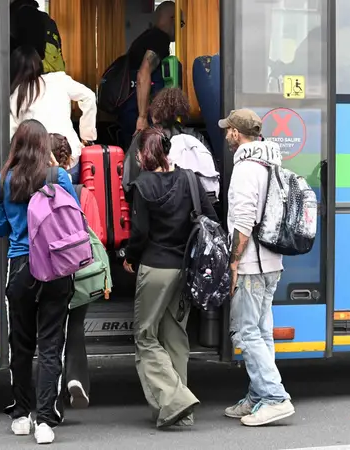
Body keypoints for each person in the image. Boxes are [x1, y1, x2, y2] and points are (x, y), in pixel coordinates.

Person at [0, 119, 80, 445]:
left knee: (22, 344)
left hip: (21, 268)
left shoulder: (4, 180)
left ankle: (21, 415)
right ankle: (45, 421)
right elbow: (75, 219)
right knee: (51, 344)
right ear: (45, 145)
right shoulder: (59, 177)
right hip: (56, 268)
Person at [123, 127, 217, 428]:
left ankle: (176, 400)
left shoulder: (142, 185)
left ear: (142, 154)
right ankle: (182, 414)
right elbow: (211, 220)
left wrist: (130, 258)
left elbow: (140, 234)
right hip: (185, 268)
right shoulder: (189, 178)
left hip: (156, 267)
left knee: (145, 335)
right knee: (175, 334)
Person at [218, 109, 295, 427]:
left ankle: (275, 398)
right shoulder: (273, 163)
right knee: (261, 332)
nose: (225, 135)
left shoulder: (247, 169)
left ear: (237, 133)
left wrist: (233, 262)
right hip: (272, 262)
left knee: (246, 332)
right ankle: (258, 396)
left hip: (252, 264)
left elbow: (244, 220)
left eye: (228, 130)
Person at [50, 133, 103, 409]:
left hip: (49, 270)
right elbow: (98, 235)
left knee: (52, 328)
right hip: (80, 272)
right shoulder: (84, 194)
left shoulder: (37, 191)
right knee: (76, 324)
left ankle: (55, 390)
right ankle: (76, 378)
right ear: (70, 160)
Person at [10, 45, 97, 181]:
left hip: (36, 164)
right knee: (69, 199)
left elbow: (12, 135)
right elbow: (89, 97)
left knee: (39, 201)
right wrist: (87, 136)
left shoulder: (16, 95)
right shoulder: (59, 80)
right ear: (40, 63)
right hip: (68, 157)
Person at [122, 87, 216, 204]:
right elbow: (211, 175)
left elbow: (128, 181)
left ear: (154, 112)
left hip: (154, 207)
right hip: (192, 207)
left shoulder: (145, 137)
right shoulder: (196, 136)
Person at [118, 1, 182, 143]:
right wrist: (142, 117)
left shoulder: (146, 37)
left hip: (130, 108)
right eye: (181, 23)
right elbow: (143, 74)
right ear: (173, 19)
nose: (180, 29)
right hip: (137, 112)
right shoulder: (159, 39)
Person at [10, 0, 66, 77]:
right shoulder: (45, 18)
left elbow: (28, 50)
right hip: (54, 70)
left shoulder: (25, 14)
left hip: (38, 71)